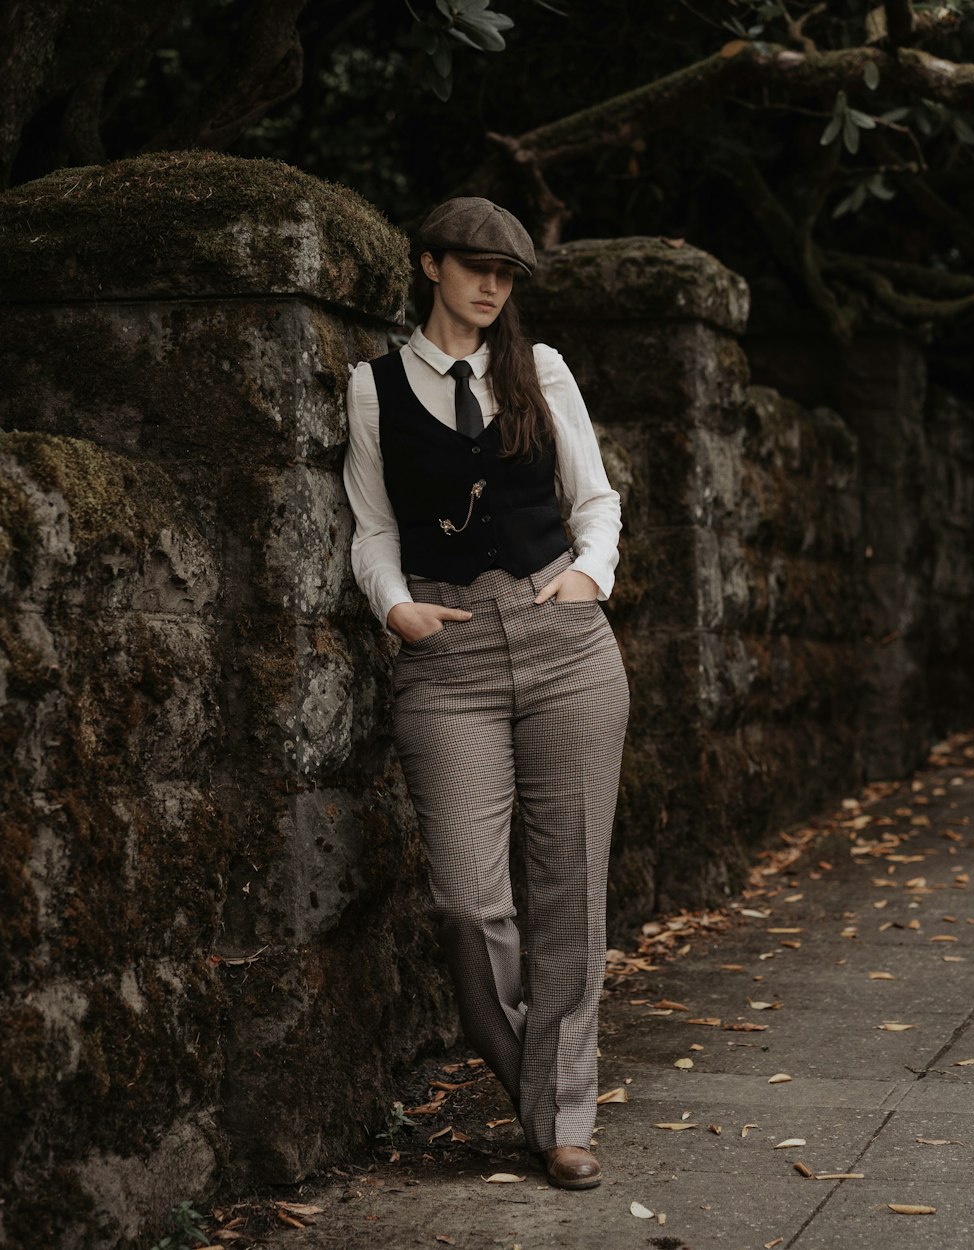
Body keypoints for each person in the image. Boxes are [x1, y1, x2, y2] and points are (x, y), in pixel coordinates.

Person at [343, 196, 629, 1190]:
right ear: (428, 264)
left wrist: (591, 572)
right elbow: (372, 523)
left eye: (506, 272)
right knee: (468, 902)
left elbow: (594, 499)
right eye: (473, 265)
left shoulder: (537, 368)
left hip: (564, 644)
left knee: (569, 895)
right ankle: (541, 1092)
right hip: (446, 654)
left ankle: (561, 1122)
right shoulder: (373, 386)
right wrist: (391, 605)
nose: (491, 285)